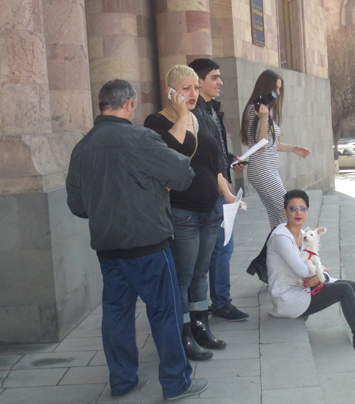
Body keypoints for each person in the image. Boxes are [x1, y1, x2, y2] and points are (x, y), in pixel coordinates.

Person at [66, 79, 208, 400]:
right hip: (148, 244)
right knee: (164, 311)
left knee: (116, 314)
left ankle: (123, 380)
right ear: (129, 104)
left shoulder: (83, 147)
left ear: (102, 105)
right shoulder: (140, 138)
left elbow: (77, 205)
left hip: (108, 246)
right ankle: (176, 382)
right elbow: (183, 175)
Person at [144, 65, 236, 361]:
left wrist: (227, 193)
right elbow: (174, 154)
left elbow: (213, 163)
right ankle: (182, 334)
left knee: (200, 273)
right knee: (182, 276)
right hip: (183, 212)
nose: (193, 94)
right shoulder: (156, 122)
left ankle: (200, 326)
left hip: (210, 210)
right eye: (186, 88)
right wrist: (182, 115)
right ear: (170, 90)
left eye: (196, 87)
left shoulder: (199, 118)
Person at [266, 189, 355, 364]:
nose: (298, 213)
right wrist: (321, 273)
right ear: (284, 212)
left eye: (302, 208)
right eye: (293, 208)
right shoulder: (281, 238)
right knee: (344, 290)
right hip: (287, 297)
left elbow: (316, 265)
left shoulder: (302, 234)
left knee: (353, 286)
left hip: (302, 287)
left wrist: (323, 276)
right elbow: (303, 271)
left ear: (307, 211)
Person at [188, 58, 250, 322]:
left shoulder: (211, 110)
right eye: (214, 77)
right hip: (212, 192)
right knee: (221, 248)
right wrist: (222, 185)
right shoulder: (196, 113)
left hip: (219, 188)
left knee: (221, 248)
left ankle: (215, 302)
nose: (221, 82)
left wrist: (230, 159)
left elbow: (214, 152)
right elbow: (202, 157)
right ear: (199, 81)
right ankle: (219, 303)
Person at [239, 70, 310, 230]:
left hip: (268, 169)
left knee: (277, 215)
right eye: (275, 88)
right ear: (266, 88)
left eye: (279, 89)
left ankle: (277, 244)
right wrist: (264, 119)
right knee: (287, 211)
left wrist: (294, 148)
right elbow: (262, 144)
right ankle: (289, 243)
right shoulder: (254, 110)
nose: (278, 93)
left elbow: (270, 143)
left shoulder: (265, 110)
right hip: (262, 169)